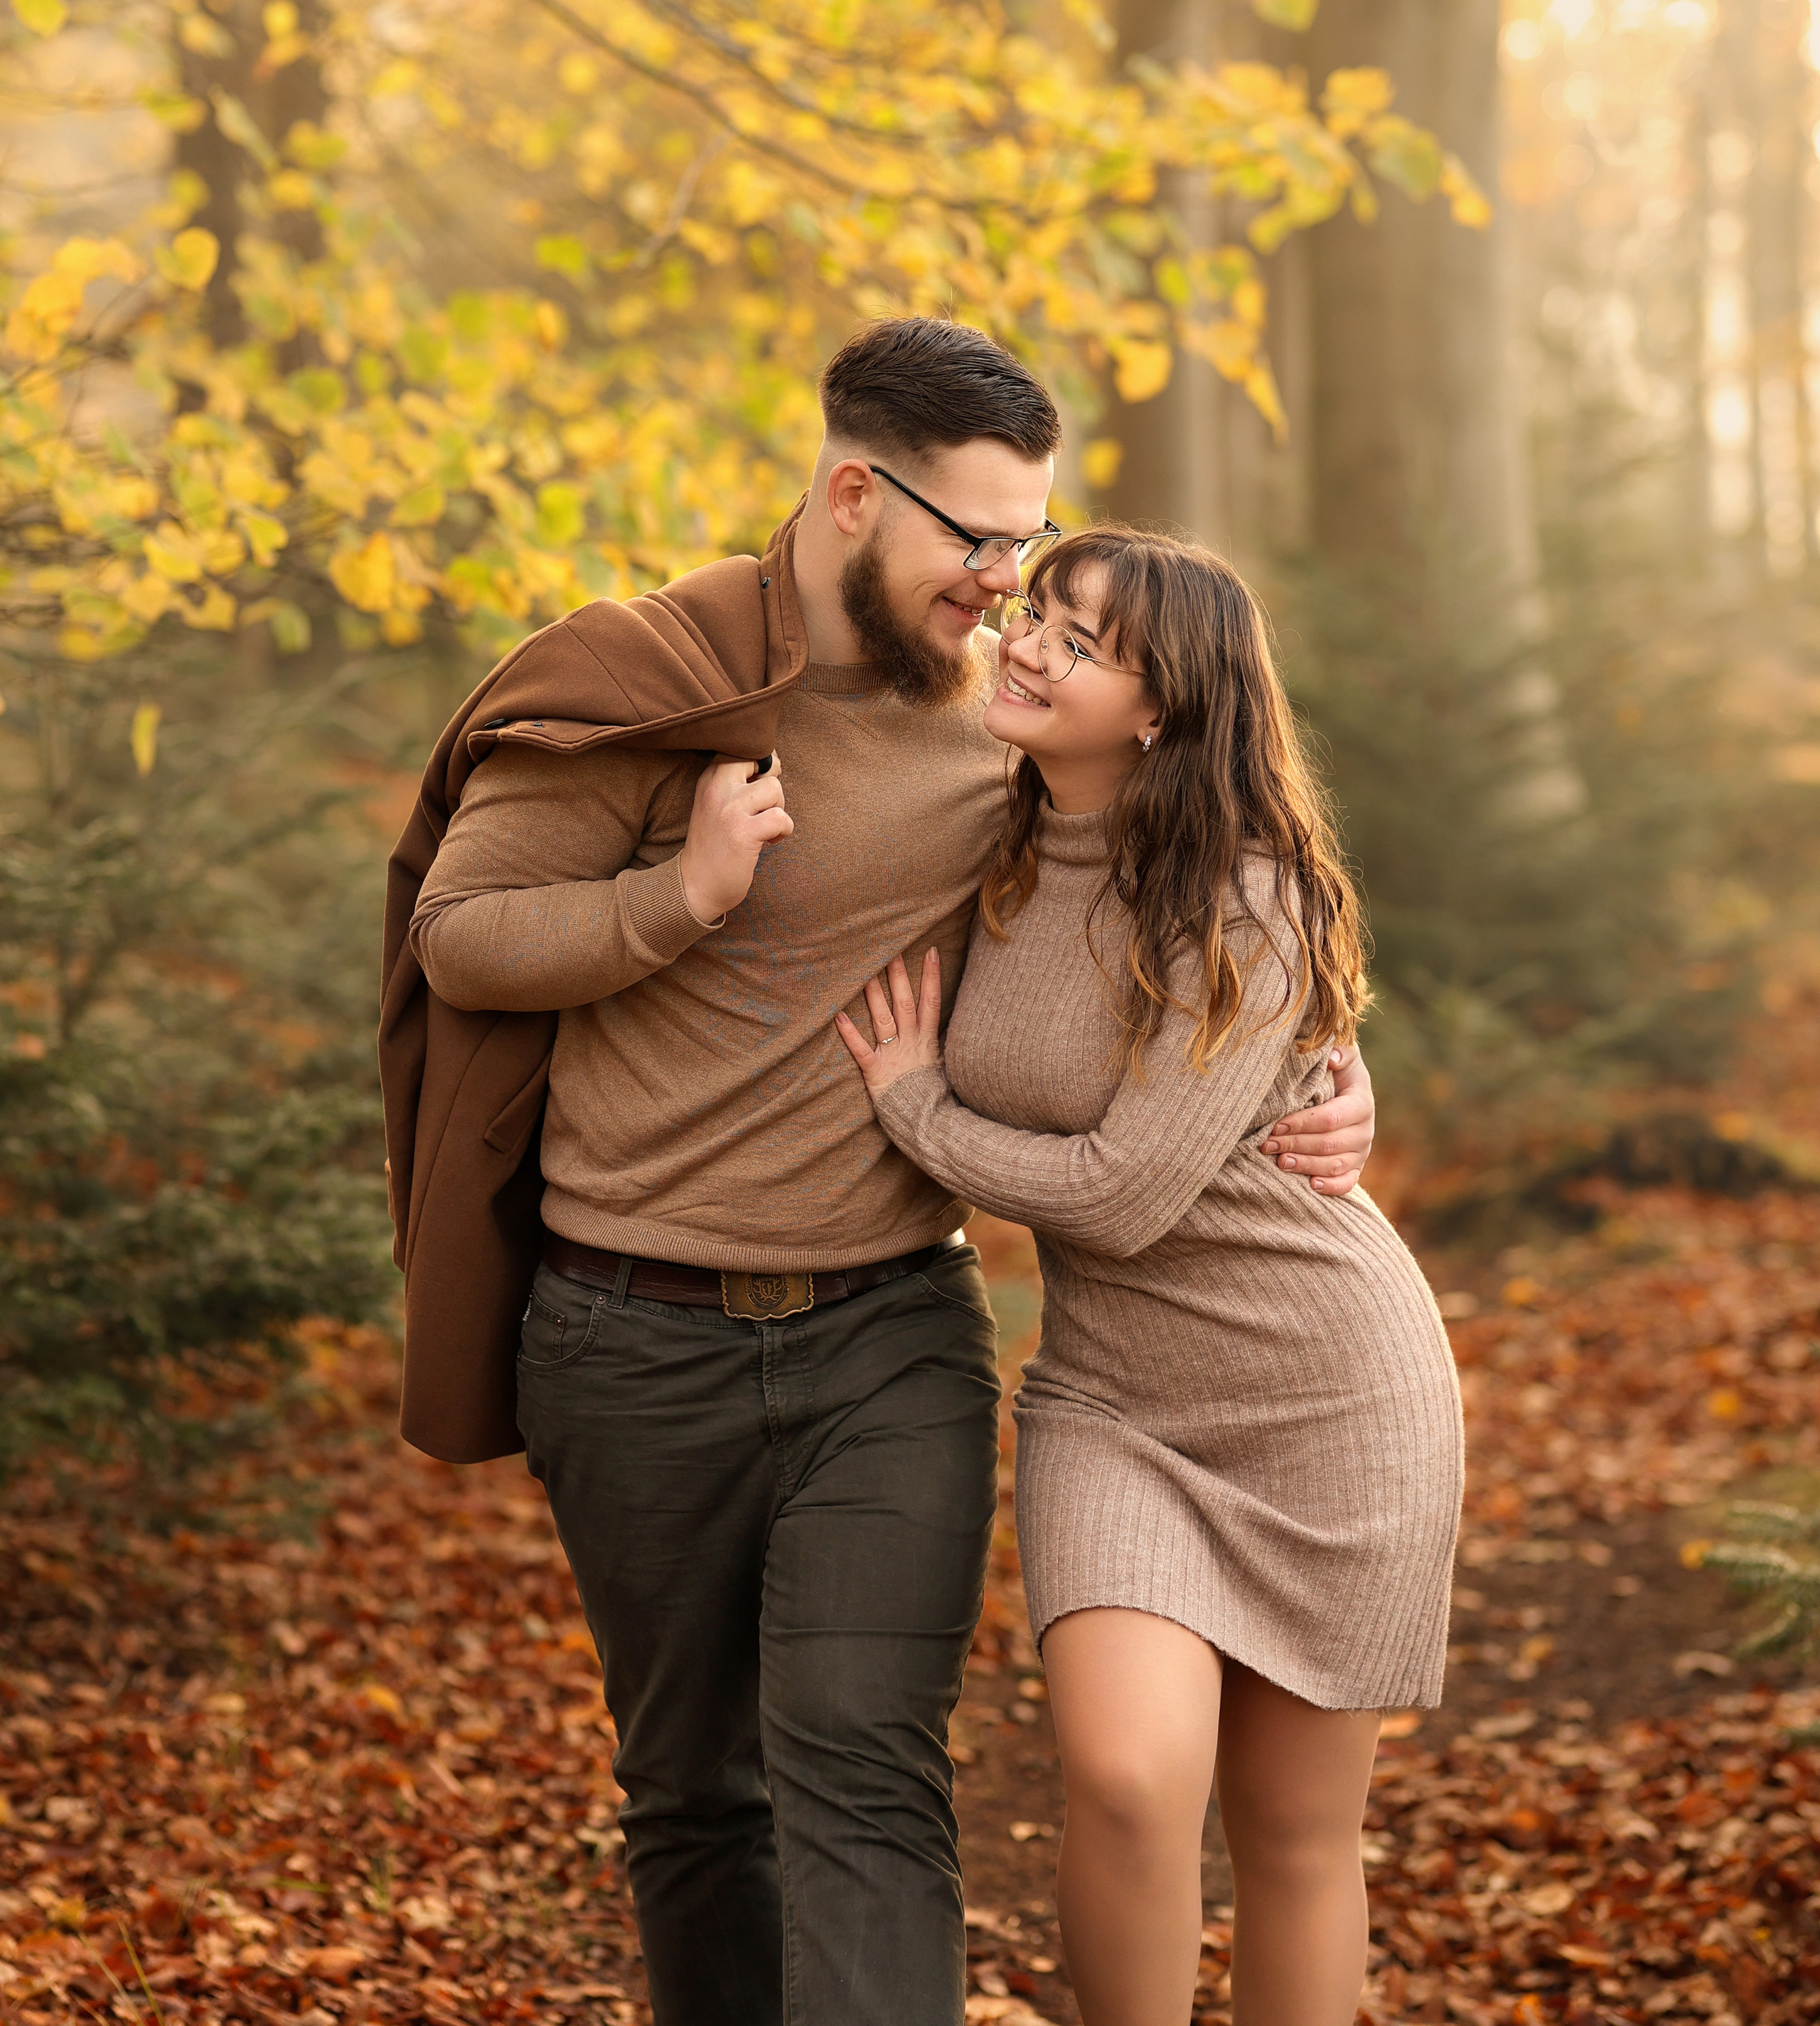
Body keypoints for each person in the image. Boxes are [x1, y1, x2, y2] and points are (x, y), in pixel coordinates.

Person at [396, 321, 1379, 2026]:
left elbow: (1200, 857)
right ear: (855, 492)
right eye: (977, 541)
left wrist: (1324, 1066)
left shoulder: (1009, 718)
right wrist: (678, 895)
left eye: (1029, 544)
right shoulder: (654, 684)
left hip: (887, 1339)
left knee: (862, 1767)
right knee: (696, 1795)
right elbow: (460, 940)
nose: (1006, 588)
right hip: (628, 1338)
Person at [840, 525, 1462, 2026]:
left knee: (1295, 1839)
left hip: (1328, 1398)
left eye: (1084, 638)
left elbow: (1119, 1195)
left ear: (1162, 710)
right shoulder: (981, 837)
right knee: (1123, 1780)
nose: (1032, 641)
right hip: (1112, 1404)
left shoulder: (1249, 897)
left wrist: (916, 1104)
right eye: (1037, 611)